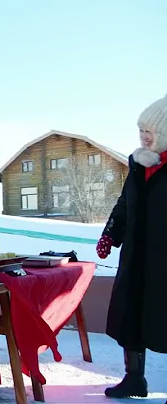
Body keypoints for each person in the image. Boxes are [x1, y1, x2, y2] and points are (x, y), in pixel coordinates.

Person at [97, 94, 167, 400]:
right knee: (131, 316)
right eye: (141, 131)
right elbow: (125, 203)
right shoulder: (138, 164)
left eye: (150, 131)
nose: (144, 136)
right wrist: (111, 234)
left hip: (164, 260)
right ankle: (134, 379)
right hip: (136, 256)